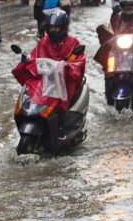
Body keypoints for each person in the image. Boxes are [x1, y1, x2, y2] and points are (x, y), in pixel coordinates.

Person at [12, 8, 86, 140]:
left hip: (63, 81)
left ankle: (61, 127)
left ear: (64, 27)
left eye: (57, 28)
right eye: (51, 28)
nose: (53, 31)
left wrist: (69, 65)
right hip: (45, 78)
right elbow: (34, 57)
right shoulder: (43, 42)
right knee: (30, 89)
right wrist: (27, 59)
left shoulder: (73, 43)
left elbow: (78, 62)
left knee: (61, 97)